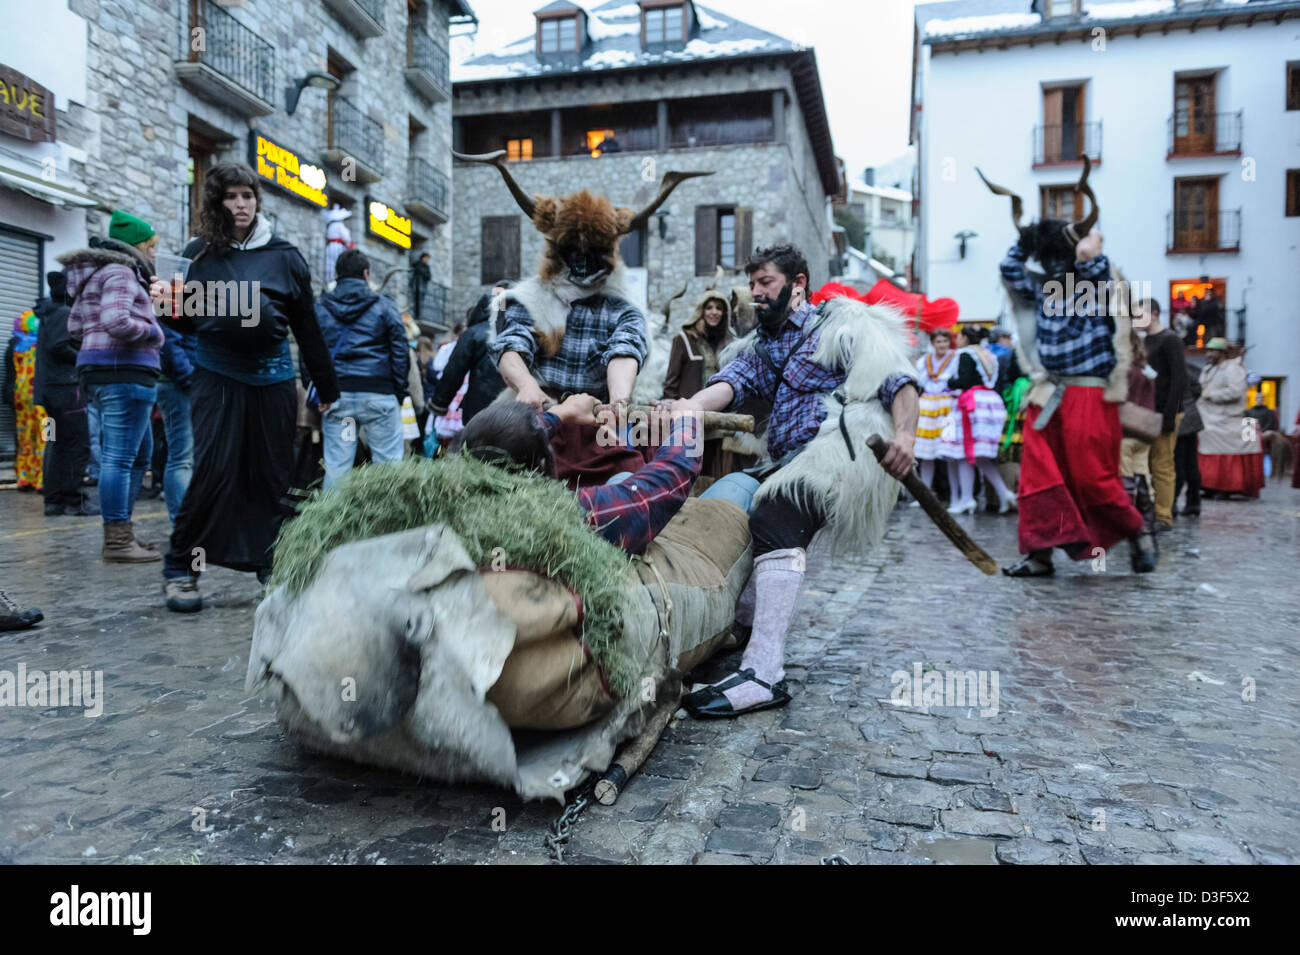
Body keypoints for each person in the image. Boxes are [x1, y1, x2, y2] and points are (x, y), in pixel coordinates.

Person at [665, 244, 920, 717]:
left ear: (798, 283)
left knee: (776, 510)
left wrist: (905, 435)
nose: (755, 293)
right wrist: (684, 408)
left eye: (766, 283)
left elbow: (898, 380)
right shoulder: (761, 346)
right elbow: (731, 383)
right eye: (753, 284)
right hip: (783, 459)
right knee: (721, 505)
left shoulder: (842, 325)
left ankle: (765, 673)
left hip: (843, 453)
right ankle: (736, 627)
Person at [158, 161, 339, 613]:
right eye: (231, 196)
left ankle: (272, 565)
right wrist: (165, 305)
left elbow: (307, 327)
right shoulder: (199, 253)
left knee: (274, 476)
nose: (241, 205)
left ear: (258, 200)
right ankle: (181, 568)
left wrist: (327, 387)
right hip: (217, 375)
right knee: (213, 471)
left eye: (248, 196)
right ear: (216, 201)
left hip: (275, 378)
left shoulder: (285, 256)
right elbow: (185, 318)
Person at [995, 219, 1154, 576]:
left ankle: (1137, 531)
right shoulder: (1040, 290)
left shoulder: (1097, 285)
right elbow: (1009, 269)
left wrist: (1087, 244)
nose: (1051, 265)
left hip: (1089, 392)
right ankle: (1039, 556)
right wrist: (1027, 239)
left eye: (1057, 256)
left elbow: (1095, 263)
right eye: (1045, 257)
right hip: (1047, 393)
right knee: (1036, 477)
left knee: (1092, 478)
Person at [453, 394, 704, 554]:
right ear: (542, 464)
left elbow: (510, 436)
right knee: (623, 481)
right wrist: (688, 423)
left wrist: (562, 412)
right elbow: (660, 487)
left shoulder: (452, 489)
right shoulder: (557, 517)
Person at [59, 210, 166, 562]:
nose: (153, 255)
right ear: (137, 246)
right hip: (125, 373)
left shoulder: (96, 276)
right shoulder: (121, 272)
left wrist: (97, 342)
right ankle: (117, 540)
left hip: (104, 371)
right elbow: (116, 320)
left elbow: (76, 327)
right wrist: (153, 332)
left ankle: (124, 533)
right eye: (151, 247)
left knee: (137, 456)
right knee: (121, 458)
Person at [308, 248, 409, 490]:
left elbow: (309, 351)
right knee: (388, 467)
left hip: (338, 400)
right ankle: (390, 524)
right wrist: (398, 392)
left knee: (337, 468)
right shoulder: (385, 307)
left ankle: (332, 523)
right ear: (366, 274)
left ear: (337, 275)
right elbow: (400, 352)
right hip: (378, 398)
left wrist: (321, 391)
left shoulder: (320, 308)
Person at [34, 271, 96, 516]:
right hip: (66, 391)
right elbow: (60, 346)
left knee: (54, 443)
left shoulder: (48, 313)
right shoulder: (62, 313)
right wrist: (85, 357)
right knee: (76, 444)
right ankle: (73, 499)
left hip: (49, 392)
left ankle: (54, 500)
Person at [946, 325, 1015, 514]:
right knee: (981, 455)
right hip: (989, 402)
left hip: (971, 404)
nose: (957, 340)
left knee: (963, 453)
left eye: (958, 337)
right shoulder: (987, 354)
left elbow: (965, 380)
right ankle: (1004, 493)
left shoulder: (965, 354)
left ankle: (967, 498)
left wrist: (949, 381)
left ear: (965, 338)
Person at [1138, 298, 1187, 531]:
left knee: (1163, 465)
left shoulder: (1170, 340)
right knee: (1145, 463)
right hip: (1148, 411)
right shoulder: (1145, 341)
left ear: (1154, 314)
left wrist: (1169, 415)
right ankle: (1151, 512)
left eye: (1139, 315)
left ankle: (1164, 516)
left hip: (1166, 411)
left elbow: (1179, 379)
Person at [430, 287, 507, 428]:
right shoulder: (519, 331)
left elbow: (454, 371)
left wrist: (439, 403)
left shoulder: (473, 333)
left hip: (479, 407)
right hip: (515, 406)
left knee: (480, 445)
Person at [1196, 339, 1263, 499]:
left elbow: (1236, 391)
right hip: (1208, 415)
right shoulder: (1208, 369)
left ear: (1222, 353)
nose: (1208, 354)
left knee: (1217, 436)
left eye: (1212, 351)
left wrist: (1211, 395)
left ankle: (1227, 486)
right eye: (1208, 350)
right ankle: (1208, 484)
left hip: (1226, 417)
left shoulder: (1233, 369)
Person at [913, 327, 962, 508]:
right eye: (939, 342)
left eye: (945, 341)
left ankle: (955, 496)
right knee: (926, 454)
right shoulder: (924, 360)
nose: (942, 345)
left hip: (947, 407)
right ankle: (925, 496)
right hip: (927, 408)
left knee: (949, 453)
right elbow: (920, 381)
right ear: (932, 343)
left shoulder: (955, 358)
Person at [156, 318, 195, 523]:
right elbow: (170, 343)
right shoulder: (175, 292)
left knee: (185, 457)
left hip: (183, 383)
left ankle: (187, 526)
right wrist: (190, 378)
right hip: (178, 385)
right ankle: (182, 527)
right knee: (182, 458)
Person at [662, 292, 735, 400]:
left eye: (719, 308)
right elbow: (671, 384)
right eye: (709, 308)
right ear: (701, 311)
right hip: (689, 410)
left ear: (724, 313)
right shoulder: (684, 339)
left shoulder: (730, 343)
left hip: (721, 411)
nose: (714, 312)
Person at [1119, 326, 1157, 530]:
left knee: (1125, 475)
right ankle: (1147, 519)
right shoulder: (1145, 368)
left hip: (1126, 429)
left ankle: (1127, 520)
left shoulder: (1125, 369)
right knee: (1142, 473)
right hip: (1145, 429)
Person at [7, 307, 46, 495]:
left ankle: (24, 477)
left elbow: (10, 374)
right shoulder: (47, 346)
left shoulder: (15, 345)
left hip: (21, 396)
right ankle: (44, 478)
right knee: (49, 436)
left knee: (24, 438)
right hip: (46, 398)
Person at [1174, 364, 1204, 516]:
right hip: (1190, 418)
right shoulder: (1186, 369)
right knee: (1190, 463)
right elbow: (1197, 388)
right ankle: (1193, 502)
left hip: (1180, 419)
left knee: (1178, 464)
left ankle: (1172, 503)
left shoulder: (1175, 367)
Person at [409, 250, 432, 325]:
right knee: (416, 300)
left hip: (422, 285)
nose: (427, 260)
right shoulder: (418, 264)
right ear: (422, 258)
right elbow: (414, 267)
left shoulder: (427, 267)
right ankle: (416, 316)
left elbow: (428, 276)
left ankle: (418, 316)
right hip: (416, 284)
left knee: (420, 301)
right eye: (426, 258)